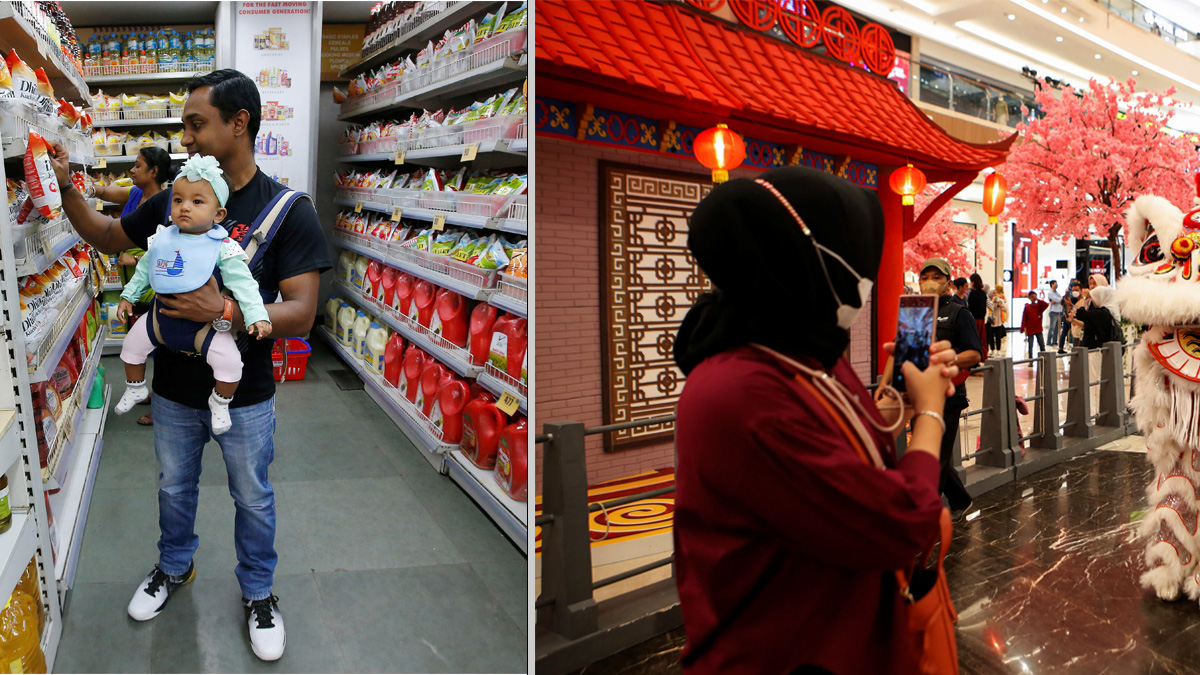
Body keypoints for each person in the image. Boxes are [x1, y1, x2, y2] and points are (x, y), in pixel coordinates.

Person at [48, 69, 330, 661]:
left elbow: (302, 312)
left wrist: (223, 308)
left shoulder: (287, 210)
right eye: (185, 126)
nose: (188, 137)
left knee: (252, 495)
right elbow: (106, 234)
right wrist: (64, 183)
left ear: (240, 123)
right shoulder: (176, 198)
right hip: (173, 389)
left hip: (245, 392)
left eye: (198, 124)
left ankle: (258, 593)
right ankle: (173, 568)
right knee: (173, 487)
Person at [672, 167, 962, 673]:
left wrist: (904, 395)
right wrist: (933, 415)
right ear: (806, 263)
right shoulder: (742, 394)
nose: (864, 282)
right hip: (785, 652)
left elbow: (846, 439)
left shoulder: (802, 349)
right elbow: (902, 524)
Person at [112, 155, 273, 435]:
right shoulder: (162, 237)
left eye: (197, 202)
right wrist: (128, 295)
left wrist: (257, 315)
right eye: (178, 200)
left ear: (218, 214)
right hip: (158, 320)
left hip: (204, 328)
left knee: (231, 365)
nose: (185, 207)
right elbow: (144, 270)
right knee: (130, 349)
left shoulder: (223, 247)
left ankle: (220, 402)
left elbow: (245, 284)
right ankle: (136, 388)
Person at [88, 146, 176, 427]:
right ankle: (145, 389)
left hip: (153, 285)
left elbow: (168, 246)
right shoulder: (136, 194)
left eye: (138, 166)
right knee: (142, 346)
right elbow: (108, 193)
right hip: (131, 284)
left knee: (160, 346)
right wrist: (87, 189)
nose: (132, 170)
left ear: (154, 172)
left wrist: (136, 257)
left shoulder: (166, 203)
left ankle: (162, 407)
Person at [911, 259, 983, 520]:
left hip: (948, 396)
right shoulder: (914, 312)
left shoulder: (958, 312)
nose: (929, 282)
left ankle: (924, 516)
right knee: (928, 454)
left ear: (949, 282)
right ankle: (961, 500)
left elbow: (974, 354)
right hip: (918, 396)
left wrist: (945, 360)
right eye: (925, 276)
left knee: (935, 457)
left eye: (937, 277)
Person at [1020, 291, 1049, 358]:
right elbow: (1024, 318)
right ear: (1029, 298)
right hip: (1030, 329)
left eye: (1034, 296)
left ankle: (1044, 357)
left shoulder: (1039, 306)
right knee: (1030, 345)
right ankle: (1030, 359)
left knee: (1042, 344)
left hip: (1038, 329)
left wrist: (1037, 299)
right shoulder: (1027, 307)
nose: (1033, 298)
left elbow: (1046, 305)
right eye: (1032, 297)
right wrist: (1022, 327)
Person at [968, 272, 989, 361]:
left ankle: (975, 358)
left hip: (974, 320)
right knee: (982, 340)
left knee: (974, 340)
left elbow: (970, 308)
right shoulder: (983, 294)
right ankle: (983, 356)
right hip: (981, 320)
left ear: (973, 282)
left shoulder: (972, 294)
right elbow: (984, 308)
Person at [1058, 280, 1083, 353]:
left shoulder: (1084, 301)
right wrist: (1069, 304)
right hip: (1075, 328)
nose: (1075, 292)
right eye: (1073, 290)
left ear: (1081, 290)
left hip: (1080, 329)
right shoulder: (1074, 300)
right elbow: (1071, 311)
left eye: (1076, 290)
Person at [989, 286, 1008, 353]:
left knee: (998, 336)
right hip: (991, 322)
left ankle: (998, 350)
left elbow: (1005, 308)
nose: (995, 294)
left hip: (998, 321)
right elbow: (989, 307)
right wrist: (992, 301)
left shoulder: (1000, 300)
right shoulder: (989, 301)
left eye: (996, 293)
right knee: (991, 336)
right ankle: (992, 349)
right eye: (993, 293)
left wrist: (1000, 304)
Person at [1045, 280, 1063, 350]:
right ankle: (1049, 341)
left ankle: (1055, 341)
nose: (1056, 285)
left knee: (1056, 328)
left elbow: (1060, 299)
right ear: (1052, 284)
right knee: (1052, 327)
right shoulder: (1050, 293)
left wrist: (1058, 300)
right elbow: (1058, 300)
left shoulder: (1057, 292)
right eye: (1055, 284)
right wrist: (1058, 300)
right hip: (1053, 312)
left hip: (1059, 311)